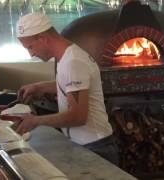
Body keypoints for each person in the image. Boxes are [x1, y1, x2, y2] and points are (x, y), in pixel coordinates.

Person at [14, 12, 118, 165]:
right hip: (88, 144)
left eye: (30, 47)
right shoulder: (68, 56)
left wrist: (35, 121)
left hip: (96, 148)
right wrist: (39, 87)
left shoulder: (73, 62)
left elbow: (77, 117)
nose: (31, 54)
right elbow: (72, 85)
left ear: (43, 38)